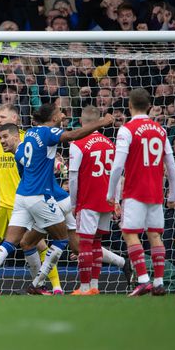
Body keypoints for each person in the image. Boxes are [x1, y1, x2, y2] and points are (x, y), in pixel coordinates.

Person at [0, 103, 113, 295]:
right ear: (53, 118)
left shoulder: (29, 135)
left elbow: (21, 163)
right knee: (63, 239)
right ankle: (38, 283)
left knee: (11, 242)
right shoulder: (48, 132)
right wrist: (102, 122)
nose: (62, 115)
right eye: (59, 113)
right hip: (41, 196)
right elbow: (73, 136)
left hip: (22, 196)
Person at [107, 88, 175, 297]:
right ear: (149, 106)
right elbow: (171, 165)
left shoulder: (127, 130)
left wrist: (111, 194)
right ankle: (159, 282)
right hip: (156, 192)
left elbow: (118, 166)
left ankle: (143, 280)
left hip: (134, 192)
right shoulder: (160, 129)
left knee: (130, 233)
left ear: (130, 105)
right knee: (154, 235)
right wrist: (173, 195)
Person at [69, 106, 118, 295]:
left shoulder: (78, 143)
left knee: (86, 244)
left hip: (88, 199)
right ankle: (95, 286)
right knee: (97, 243)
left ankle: (84, 287)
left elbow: (73, 177)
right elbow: (117, 173)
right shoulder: (109, 143)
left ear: (81, 122)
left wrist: (74, 203)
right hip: (106, 199)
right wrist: (116, 200)